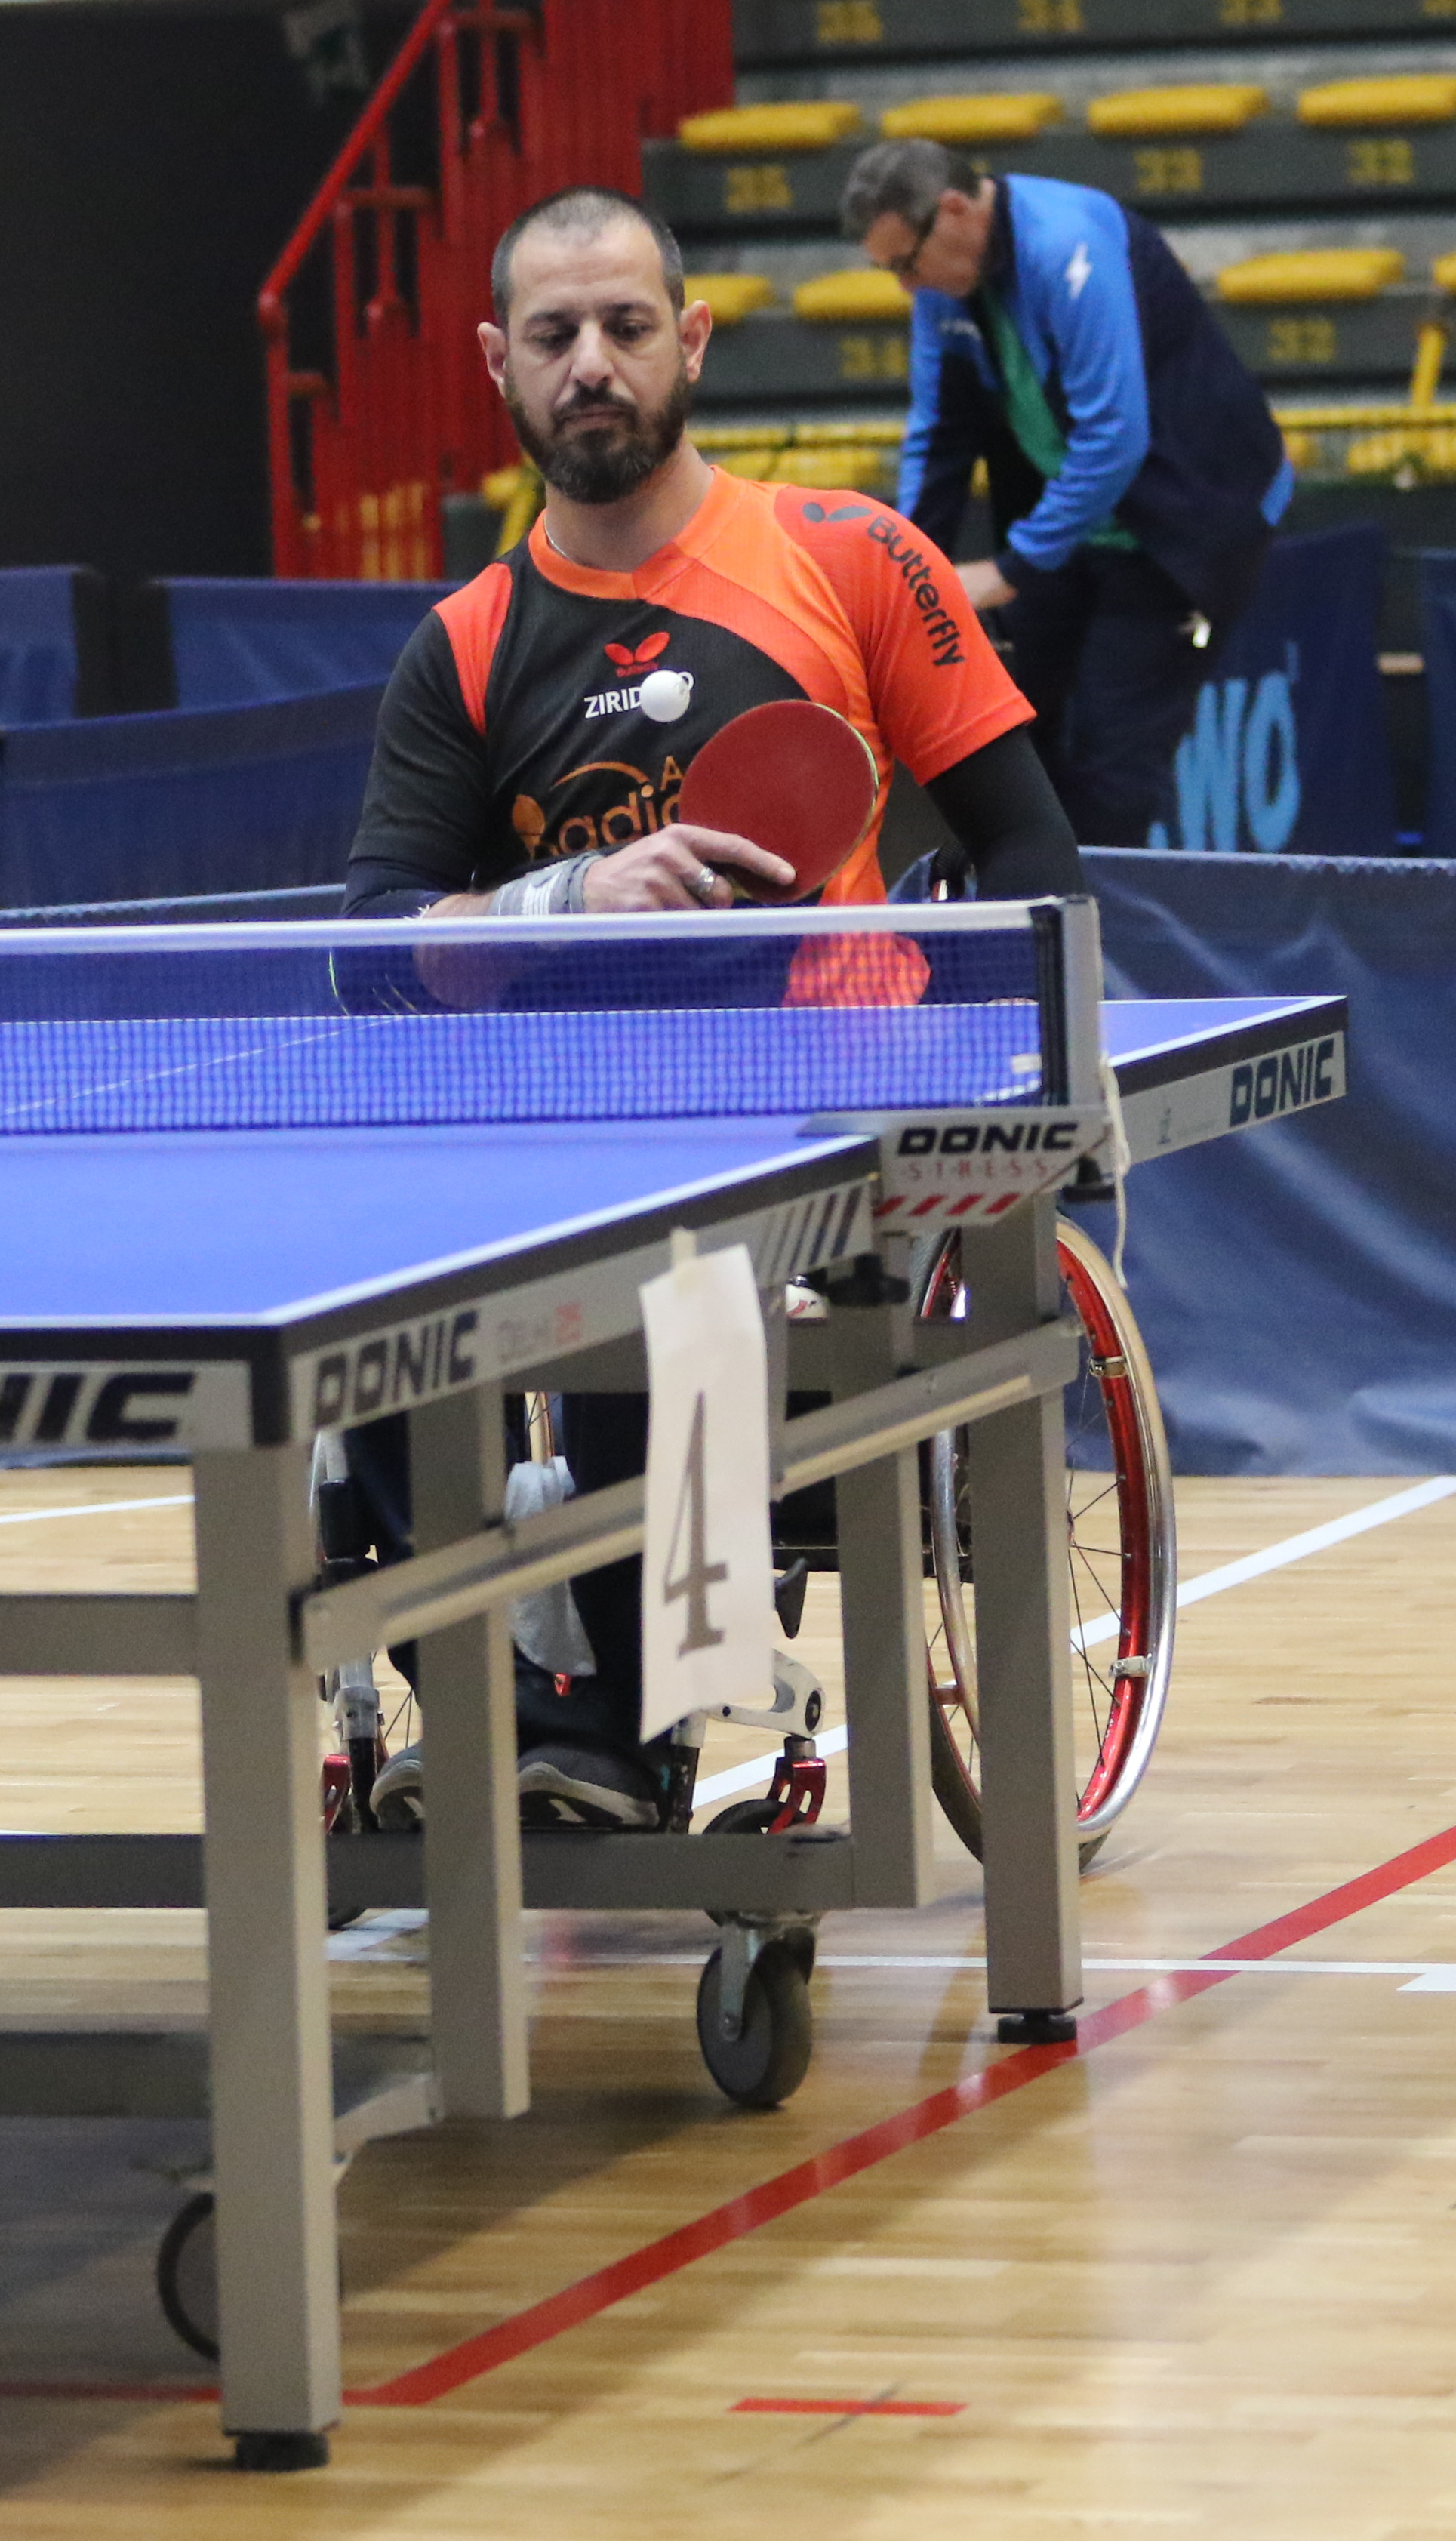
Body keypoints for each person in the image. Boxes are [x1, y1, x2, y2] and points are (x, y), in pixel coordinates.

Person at [342, 185, 1080, 1831]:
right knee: (357, 1313)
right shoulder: (461, 648)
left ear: (690, 338)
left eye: (621, 327)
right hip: (577, 1128)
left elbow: (1029, 849)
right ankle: (480, 1682)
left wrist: (1036, 1103)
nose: (589, 363)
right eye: (551, 336)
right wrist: (564, 899)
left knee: (668, 1278)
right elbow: (370, 944)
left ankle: (634, 1722)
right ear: (498, 364)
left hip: (823, 1125)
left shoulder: (846, 556)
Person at [841, 137, 1294, 848]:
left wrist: (1011, 569)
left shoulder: (1064, 246)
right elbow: (938, 433)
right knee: (1020, 732)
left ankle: (1091, 948)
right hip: (1073, 521)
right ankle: (1029, 932)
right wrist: (908, 570)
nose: (906, 287)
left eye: (904, 263)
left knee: (1113, 763)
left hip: (1184, 520)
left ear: (953, 210)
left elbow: (1114, 437)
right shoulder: (943, 288)